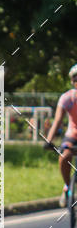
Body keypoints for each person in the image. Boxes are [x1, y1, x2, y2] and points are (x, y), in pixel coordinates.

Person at [44, 64, 77, 207]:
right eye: (75, 78)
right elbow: (57, 120)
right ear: (72, 81)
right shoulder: (67, 98)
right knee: (64, 156)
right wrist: (49, 140)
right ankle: (67, 186)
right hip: (73, 134)